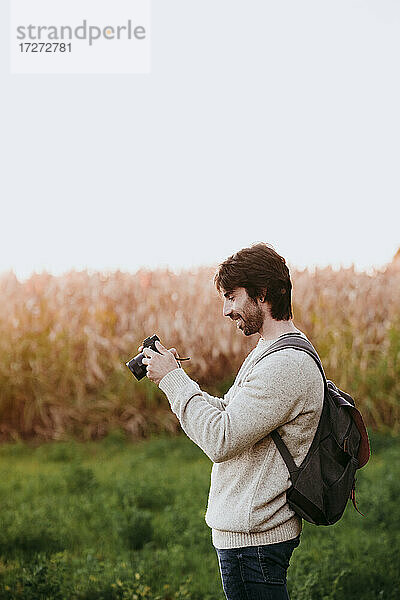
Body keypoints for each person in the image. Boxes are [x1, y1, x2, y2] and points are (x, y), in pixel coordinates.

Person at [141, 242, 324, 600]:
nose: (226, 310)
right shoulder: (269, 350)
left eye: (231, 296)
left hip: (254, 541)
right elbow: (231, 413)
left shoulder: (286, 365)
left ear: (264, 293)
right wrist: (175, 375)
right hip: (250, 536)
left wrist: (172, 381)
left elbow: (220, 439)